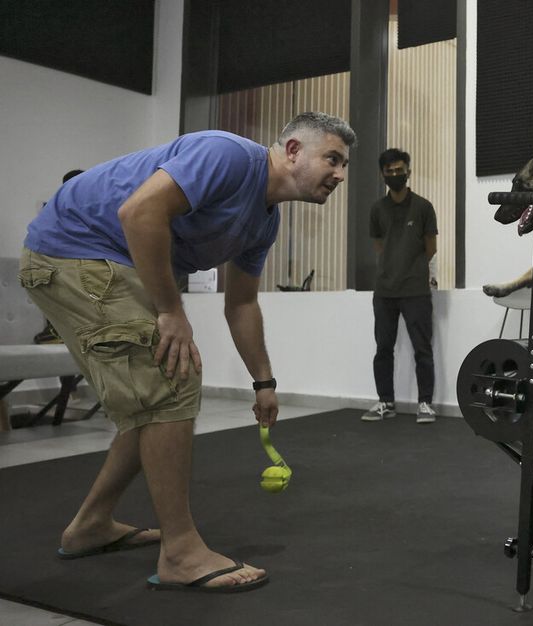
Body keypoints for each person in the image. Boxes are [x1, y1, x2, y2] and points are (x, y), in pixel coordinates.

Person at [18, 112, 356, 592]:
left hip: (108, 259)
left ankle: (92, 524)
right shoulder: (229, 156)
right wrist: (169, 309)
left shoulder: (263, 222)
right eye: (334, 159)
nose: (341, 175)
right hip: (73, 249)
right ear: (294, 150)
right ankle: (180, 552)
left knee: (156, 394)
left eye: (344, 165)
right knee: (170, 381)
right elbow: (139, 212)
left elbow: (241, 303)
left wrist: (264, 383)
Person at [362, 148, 439, 424]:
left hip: (416, 291)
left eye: (399, 170)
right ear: (383, 174)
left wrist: (412, 268)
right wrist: (394, 265)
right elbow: (380, 246)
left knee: (423, 349)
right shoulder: (377, 209)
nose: (395, 175)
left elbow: (430, 248)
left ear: (408, 171)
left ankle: (426, 404)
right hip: (384, 292)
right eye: (390, 171)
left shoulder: (423, 207)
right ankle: (385, 402)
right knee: (383, 349)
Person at [32, 169, 85, 345]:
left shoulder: (56, 207)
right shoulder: (68, 207)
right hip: (61, 265)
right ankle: (56, 332)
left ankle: (56, 332)